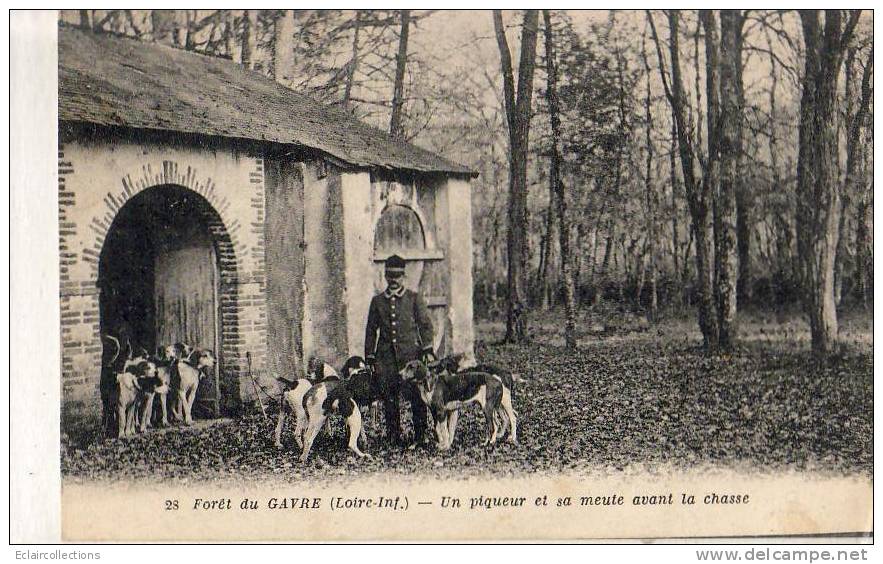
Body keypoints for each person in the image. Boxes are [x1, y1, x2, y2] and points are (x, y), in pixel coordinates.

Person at [365, 254, 435, 448]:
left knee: (417, 397)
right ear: (385, 277)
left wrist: (427, 349)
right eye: (390, 276)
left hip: (410, 358)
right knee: (389, 397)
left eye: (398, 276)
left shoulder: (413, 299)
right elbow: (371, 330)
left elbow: (425, 325)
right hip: (386, 358)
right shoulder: (377, 301)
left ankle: (420, 436)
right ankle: (394, 436)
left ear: (404, 276)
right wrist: (370, 357)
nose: (394, 280)